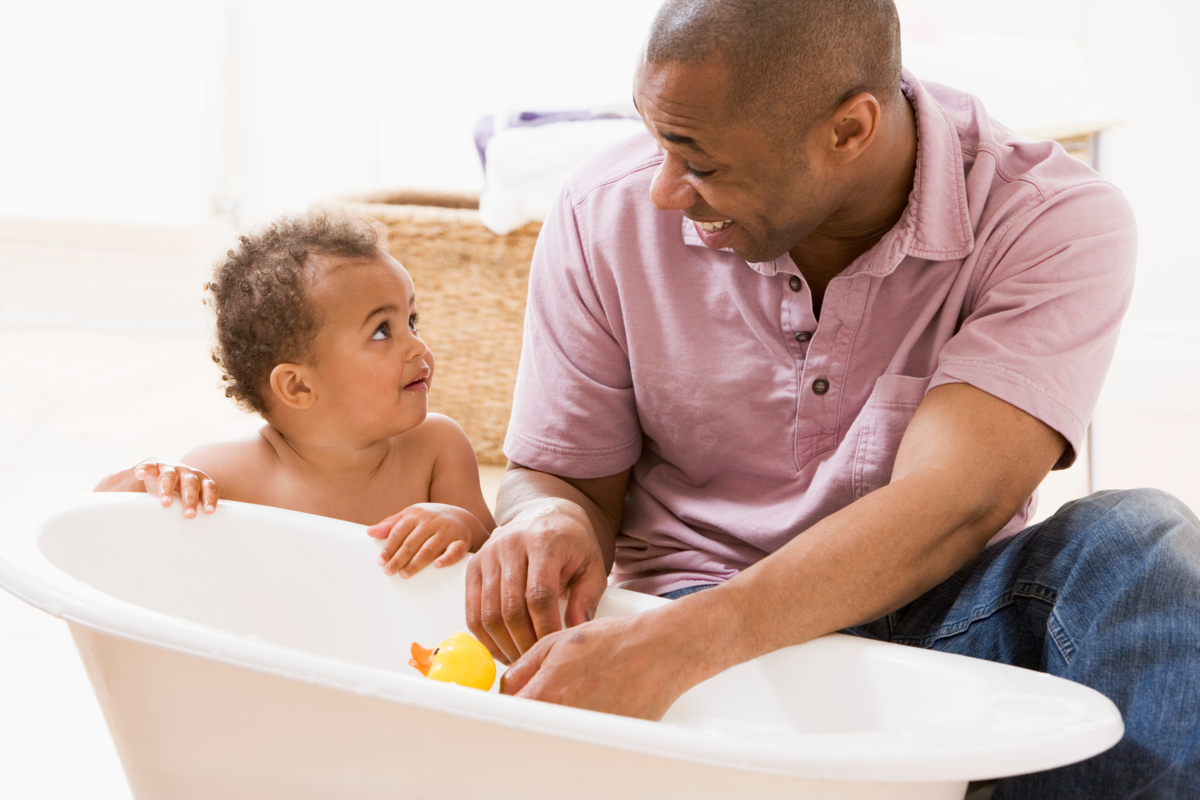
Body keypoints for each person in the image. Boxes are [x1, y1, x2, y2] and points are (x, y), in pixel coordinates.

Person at [466, 0, 1200, 796]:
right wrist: (547, 518)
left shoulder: (1052, 220)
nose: (664, 192)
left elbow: (951, 503)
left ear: (849, 131)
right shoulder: (599, 210)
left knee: (1141, 539)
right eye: (658, 141)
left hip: (930, 618)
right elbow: (563, 478)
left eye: (701, 163)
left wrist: (679, 648)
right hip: (681, 604)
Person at [95, 210, 495, 578]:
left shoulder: (437, 449)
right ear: (298, 386)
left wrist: (464, 526)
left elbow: (497, 565)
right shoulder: (229, 475)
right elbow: (98, 529)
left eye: (412, 321)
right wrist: (147, 476)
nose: (418, 348)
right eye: (381, 331)